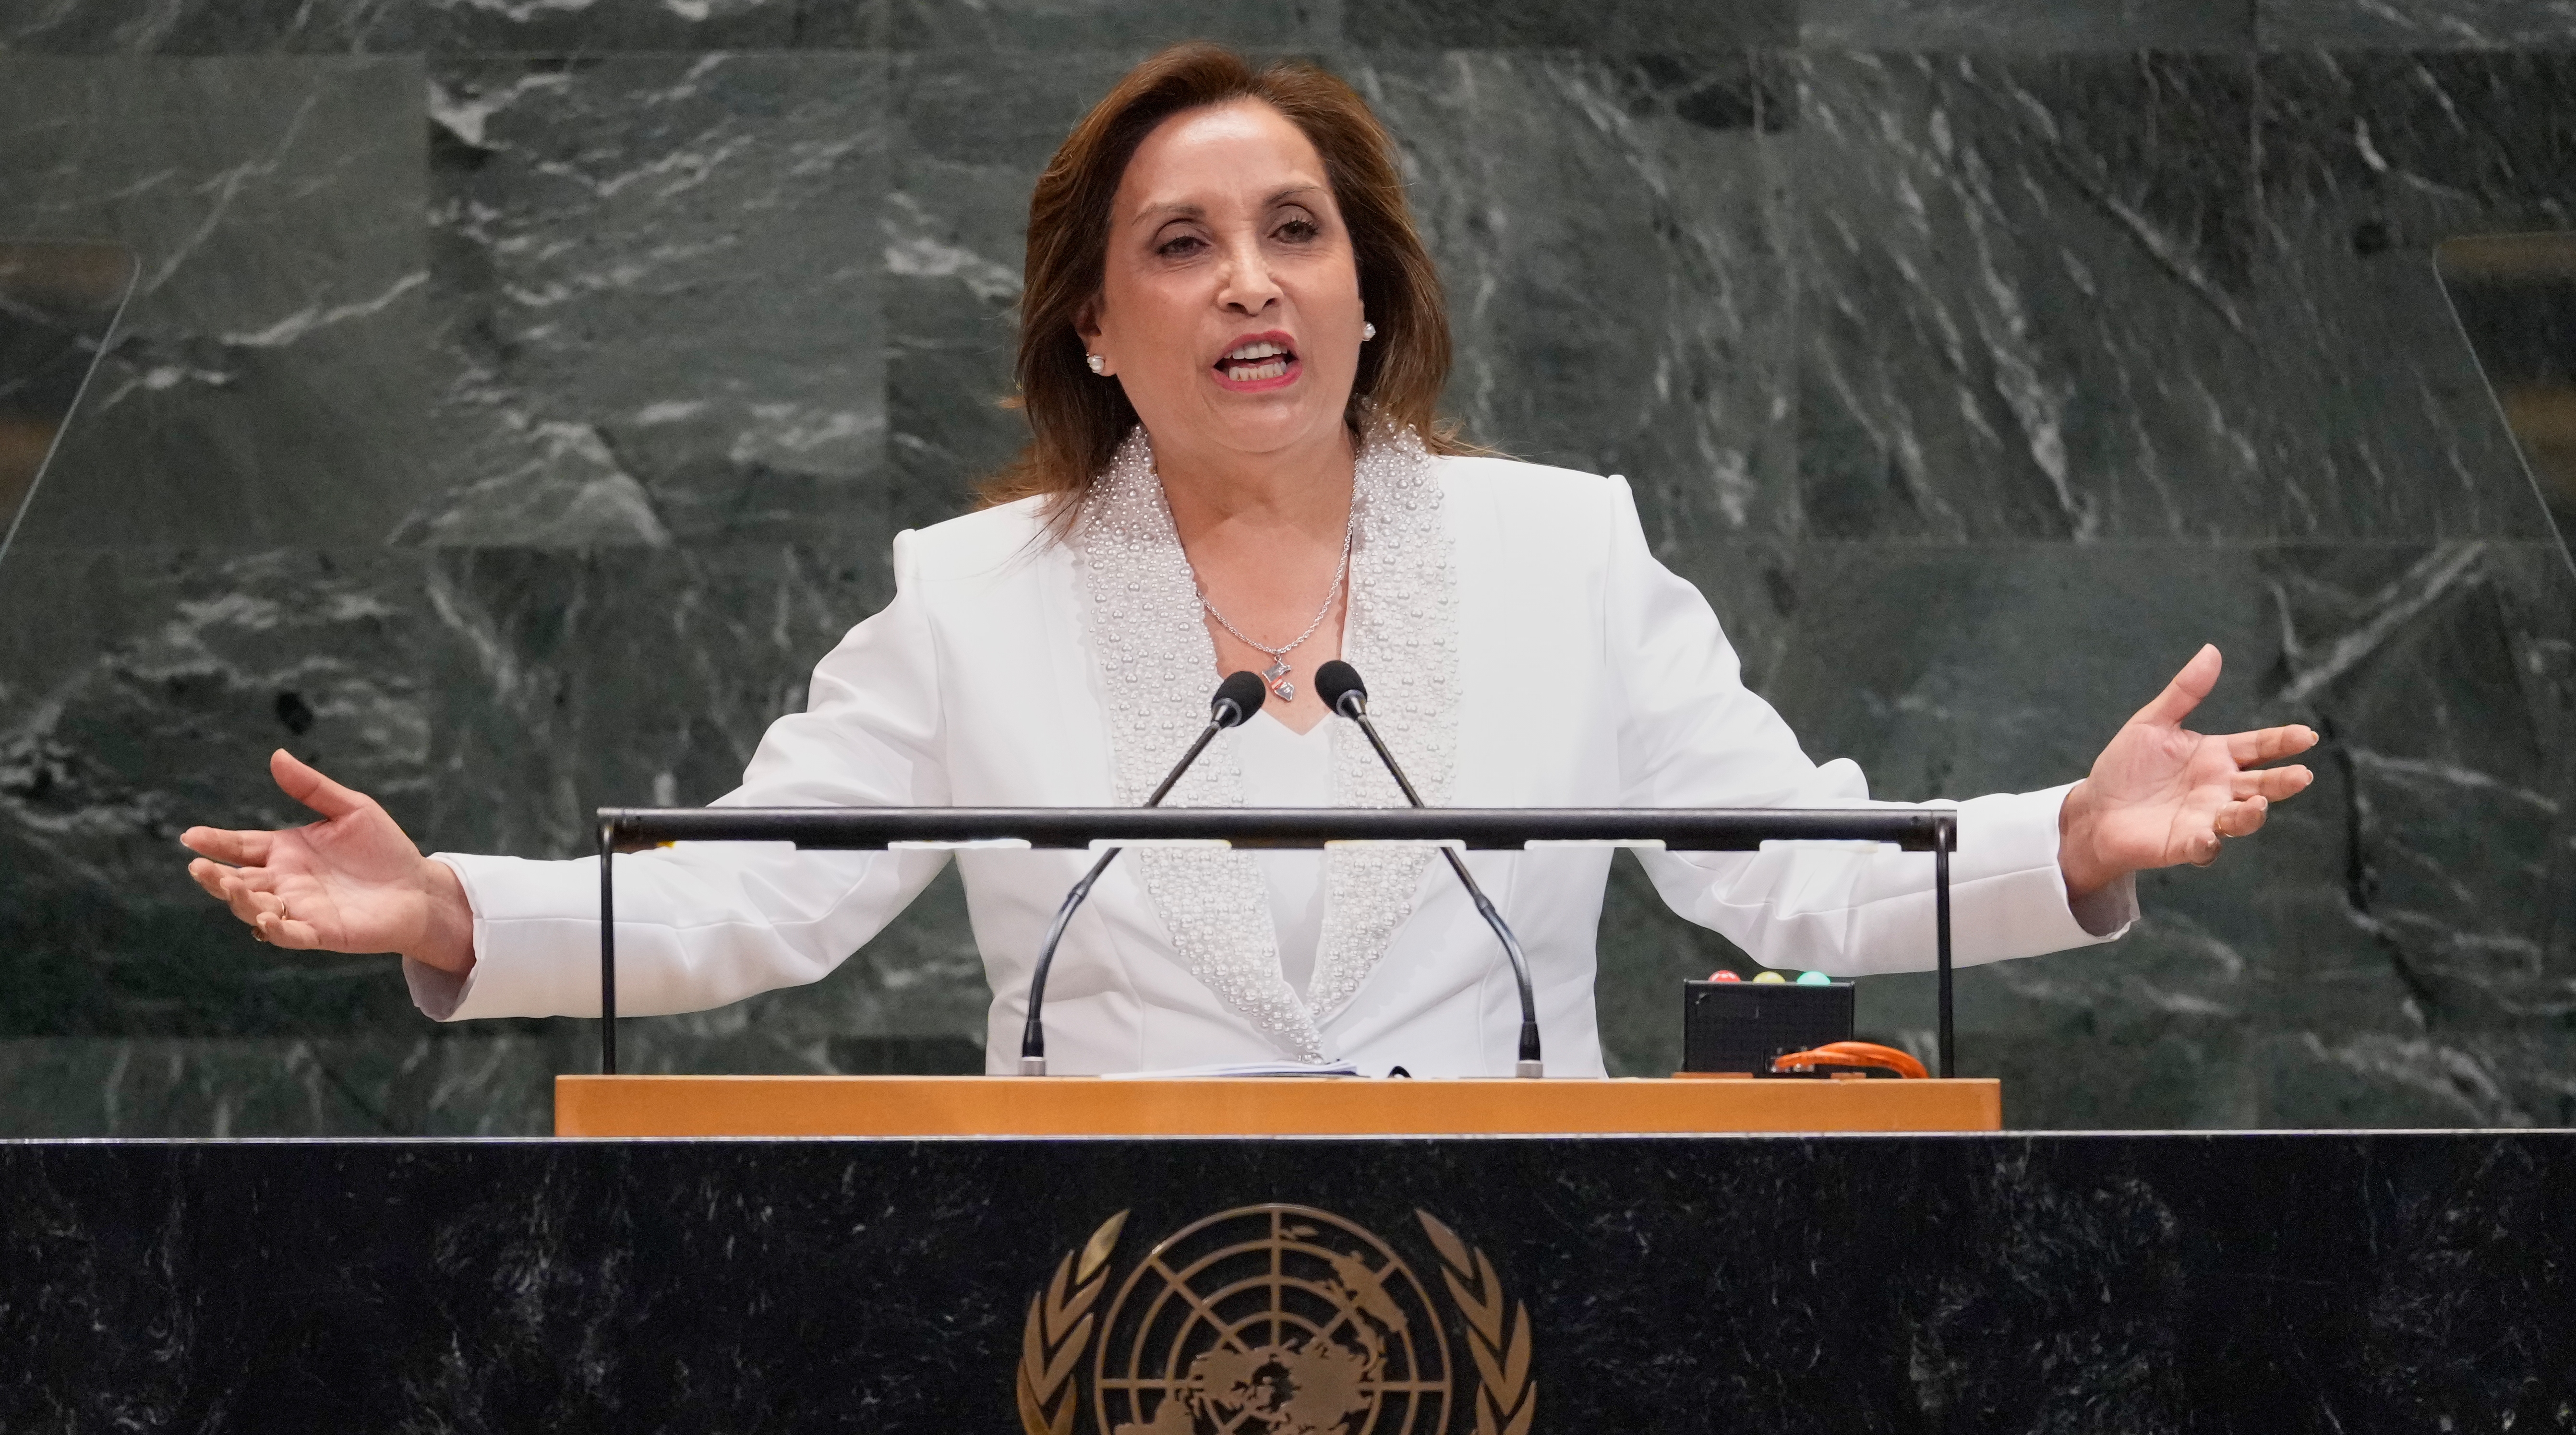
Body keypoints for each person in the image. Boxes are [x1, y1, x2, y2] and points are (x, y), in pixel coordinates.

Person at [179, 45, 2315, 1078]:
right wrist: (450, 902)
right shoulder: (973, 592)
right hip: (1092, 1299)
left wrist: (2076, 838)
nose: (1248, 284)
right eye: (1179, 247)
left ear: (1368, 291)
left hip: (1536, 1292)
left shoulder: (1562, 554)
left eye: (1294, 231)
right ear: (1098, 329)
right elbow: (761, 892)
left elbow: (1789, 876)